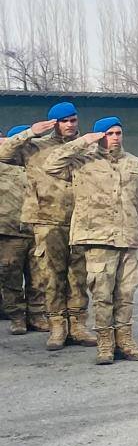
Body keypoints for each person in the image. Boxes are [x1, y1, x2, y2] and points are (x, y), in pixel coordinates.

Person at [43, 117, 138, 364]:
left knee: (126, 293)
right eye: (109, 133)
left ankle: (125, 340)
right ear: (99, 135)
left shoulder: (136, 164)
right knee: (102, 294)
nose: (114, 137)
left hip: (128, 239)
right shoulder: (82, 162)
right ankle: (105, 343)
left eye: (118, 133)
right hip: (97, 238)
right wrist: (82, 142)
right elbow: (50, 164)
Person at [0, 102, 95, 350]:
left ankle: (77, 325)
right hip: (47, 221)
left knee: (78, 276)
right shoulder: (34, 148)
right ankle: (56, 326)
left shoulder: (87, 148)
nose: (70, 125)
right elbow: (3, 153)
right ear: (54, 123)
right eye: (65, 121)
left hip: (79, 221)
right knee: (51, 277)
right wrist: (30, 132)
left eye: (73, 120)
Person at [1, 125, 40, 336]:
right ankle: (17, 317)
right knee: (10, 275)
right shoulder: (2, 166)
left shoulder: (38, 167)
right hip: (10, 231)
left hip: (35, 229)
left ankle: (36, 315)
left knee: (38, 276)